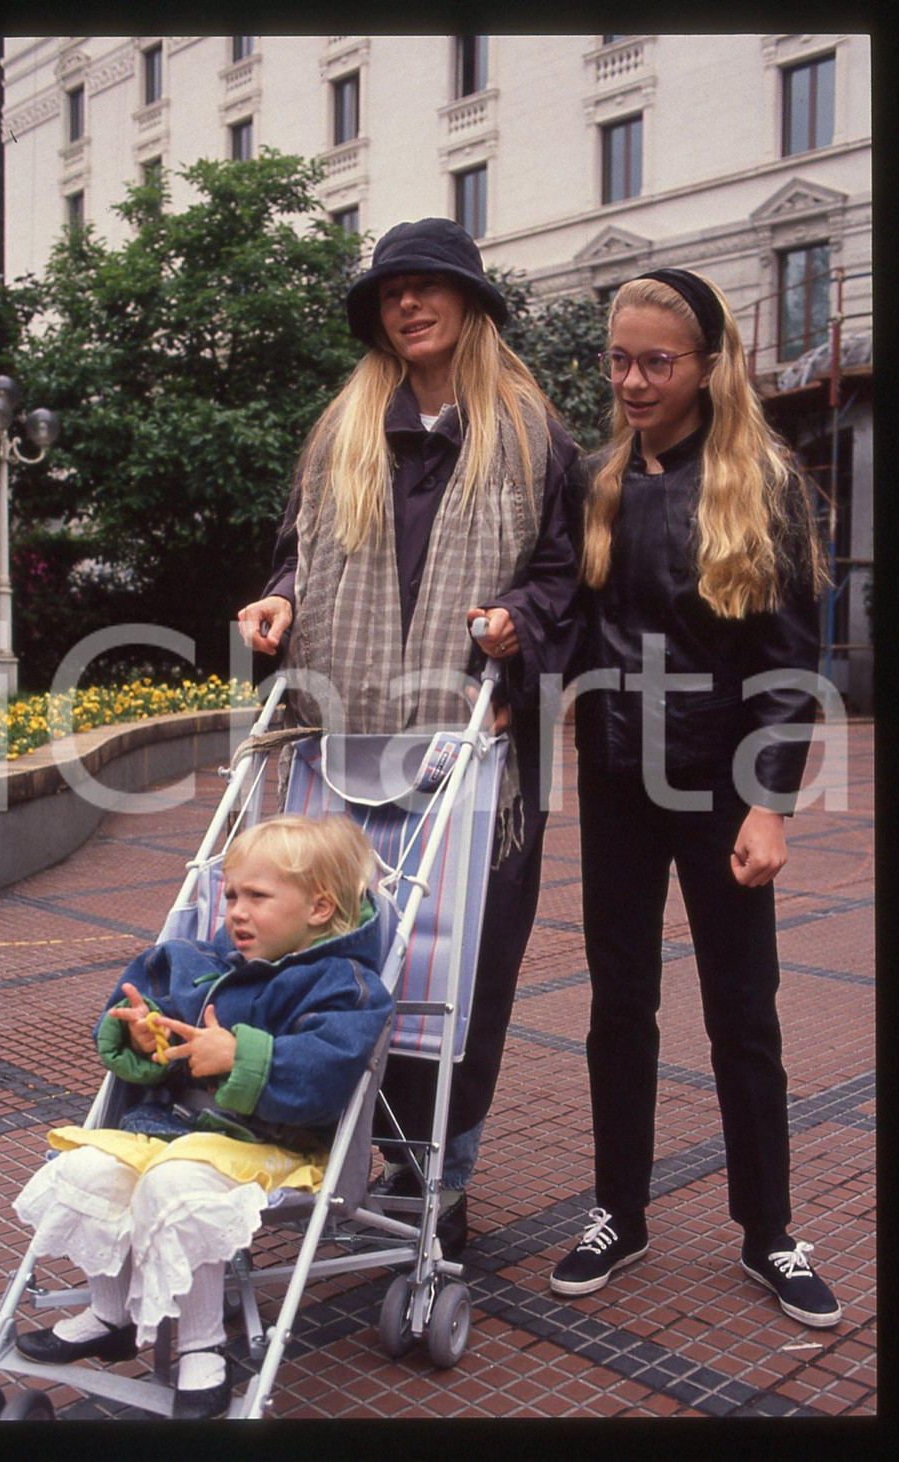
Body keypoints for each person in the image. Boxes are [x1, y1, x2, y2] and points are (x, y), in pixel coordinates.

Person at [238, 217, 581, 1256]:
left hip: (467, 758)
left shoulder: (530, 435)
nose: (410, 304)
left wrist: (522, 620)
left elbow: (564, 576)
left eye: (431, 287)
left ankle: (438, 1173)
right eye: (393, 291)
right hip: (337, 750)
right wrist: (279, 603)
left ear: (470, 304)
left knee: (453, 969)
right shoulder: (339, 431)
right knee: (324, 951)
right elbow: (294, 557)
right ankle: (320, 1146)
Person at [550, 266, 842, 1329]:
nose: (631, 379)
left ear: (706, 366)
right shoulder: (598, 481)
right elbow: (576, 630)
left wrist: (768, 805)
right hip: (618, 786)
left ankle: (768, 1231)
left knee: (741, 1016)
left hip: (720, 789)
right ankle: (617, 1213)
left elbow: (787, 663)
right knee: (617, 1006)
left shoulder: (758, 484)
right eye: (618, 359)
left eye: (655, 361)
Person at [12, 815, 392, 1419]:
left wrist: (241, 1057)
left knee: (177, 1183)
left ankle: (201, 1347)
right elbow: (151, 1026)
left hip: (276, 1144)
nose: (236, 911)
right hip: (176, 1128)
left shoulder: (343, 985)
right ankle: (111, 1315)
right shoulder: (200, 960)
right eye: (232, 894)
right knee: (88, 1166)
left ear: (320, 909)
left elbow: (326, 1073)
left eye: (258, 897)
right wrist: (144, 1039)